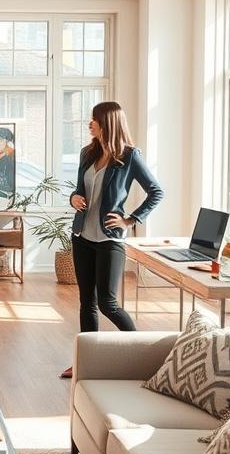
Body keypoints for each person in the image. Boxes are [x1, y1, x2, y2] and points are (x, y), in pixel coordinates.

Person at [62, 102, 164, 377]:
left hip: (110, 240)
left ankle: (145, 355)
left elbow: (156, 191)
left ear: (107, 123)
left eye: (94, 119)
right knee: (87, 302)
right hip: (82, 235)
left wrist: (131, 219)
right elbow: (79, 188)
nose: (89, 123)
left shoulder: (129, 156)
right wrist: (74, 198)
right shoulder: (88, 152)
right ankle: (87, 363)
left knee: (108, 303)